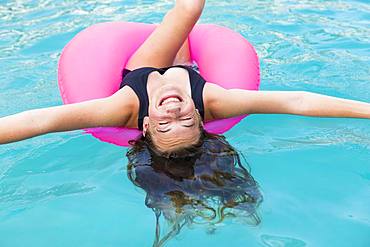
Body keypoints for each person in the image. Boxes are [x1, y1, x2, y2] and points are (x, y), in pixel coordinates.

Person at [0, 0, 369, 153]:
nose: (174, 113)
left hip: (142, 69)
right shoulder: (216, 101)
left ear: (145, 125)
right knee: (193, 15)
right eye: (185, 122)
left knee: (187, 10)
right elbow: (297, 101)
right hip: (190, 70)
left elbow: (40, 120)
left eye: (165, 125)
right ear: (200, 119)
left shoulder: (122, 108)